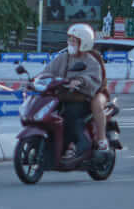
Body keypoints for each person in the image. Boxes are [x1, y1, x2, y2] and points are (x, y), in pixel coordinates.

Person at [41, 22, 110, 160]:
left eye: (74, 40)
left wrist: (80, 81)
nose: (70, 43)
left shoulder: (91, 60)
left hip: (85, 97)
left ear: (83, 42)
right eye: (70, 39)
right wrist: (35, 81)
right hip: (64, 96)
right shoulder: (63, 58)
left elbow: (93, 78)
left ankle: (83, 143)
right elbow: (47, 72)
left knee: (71, 115)